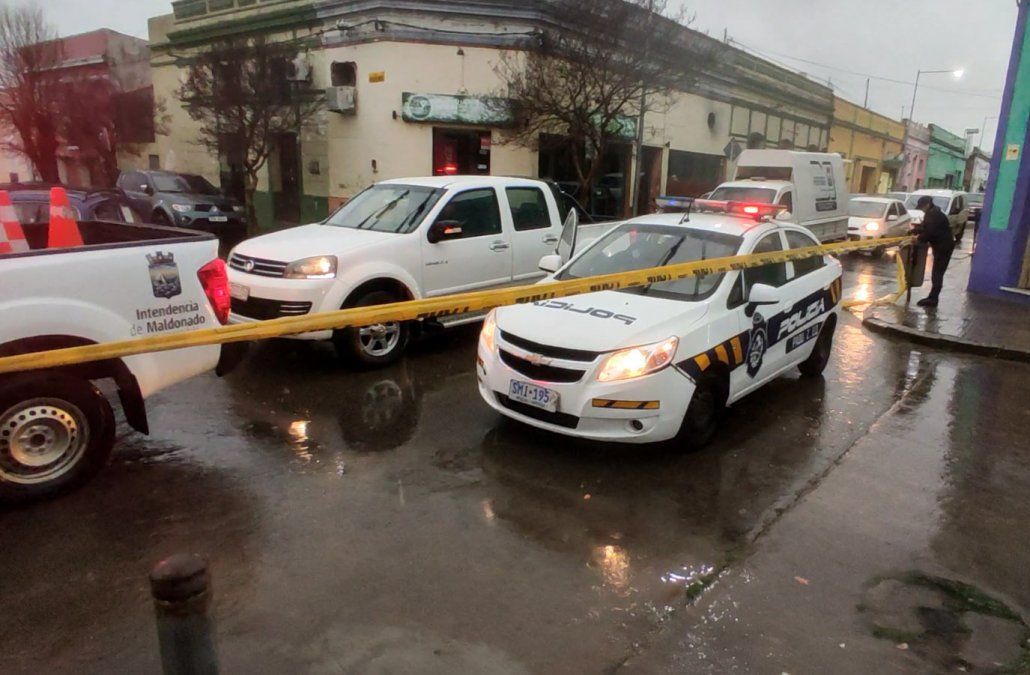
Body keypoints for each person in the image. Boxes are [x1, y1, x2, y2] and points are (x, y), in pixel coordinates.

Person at [911, 196, 955, 307]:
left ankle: (933, 299)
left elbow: (930, 232)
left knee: (937, 273)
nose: (921, 210)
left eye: (922, 207)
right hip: (943, 246)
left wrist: (918, 238)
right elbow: (926, 227)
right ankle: (932, 297)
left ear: (927, 205)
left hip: (943, 247)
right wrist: (915, 230)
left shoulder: (933, 215)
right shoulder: (933, 213)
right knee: (937, 273)